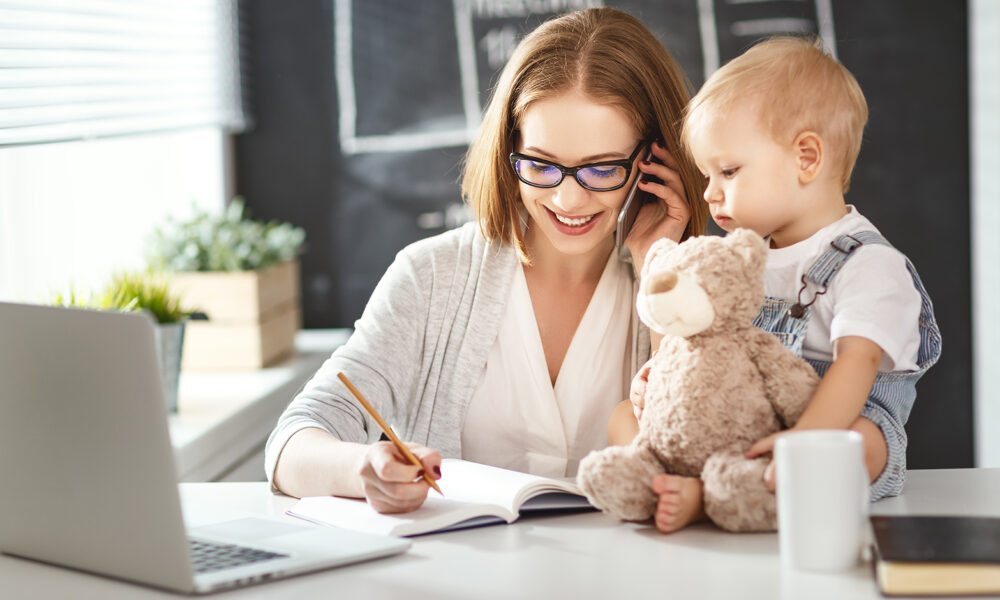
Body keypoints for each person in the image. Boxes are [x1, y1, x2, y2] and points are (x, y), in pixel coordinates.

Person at [264, 7, 709, 513]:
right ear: (509, 150)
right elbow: (292, 445)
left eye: (601, 169)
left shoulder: (695, 286)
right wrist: (362, 468)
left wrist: (660, 266)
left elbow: (695, 462)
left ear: (653, 162)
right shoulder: (432, 276)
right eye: (541, 164)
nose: (567, 201)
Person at [617, 36, 941, 533]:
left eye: (728, 170)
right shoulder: (742, 258)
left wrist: (806, 440)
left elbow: (858, 364)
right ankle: (689, 483)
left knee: (863, 443)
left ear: (807, 158)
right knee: (623, 416)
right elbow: (703, 339)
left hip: (832, 424)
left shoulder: (868, 263)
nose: (710, 192)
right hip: (747, 417)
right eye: (707, 174)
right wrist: (662, 380)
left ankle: (708, 497)